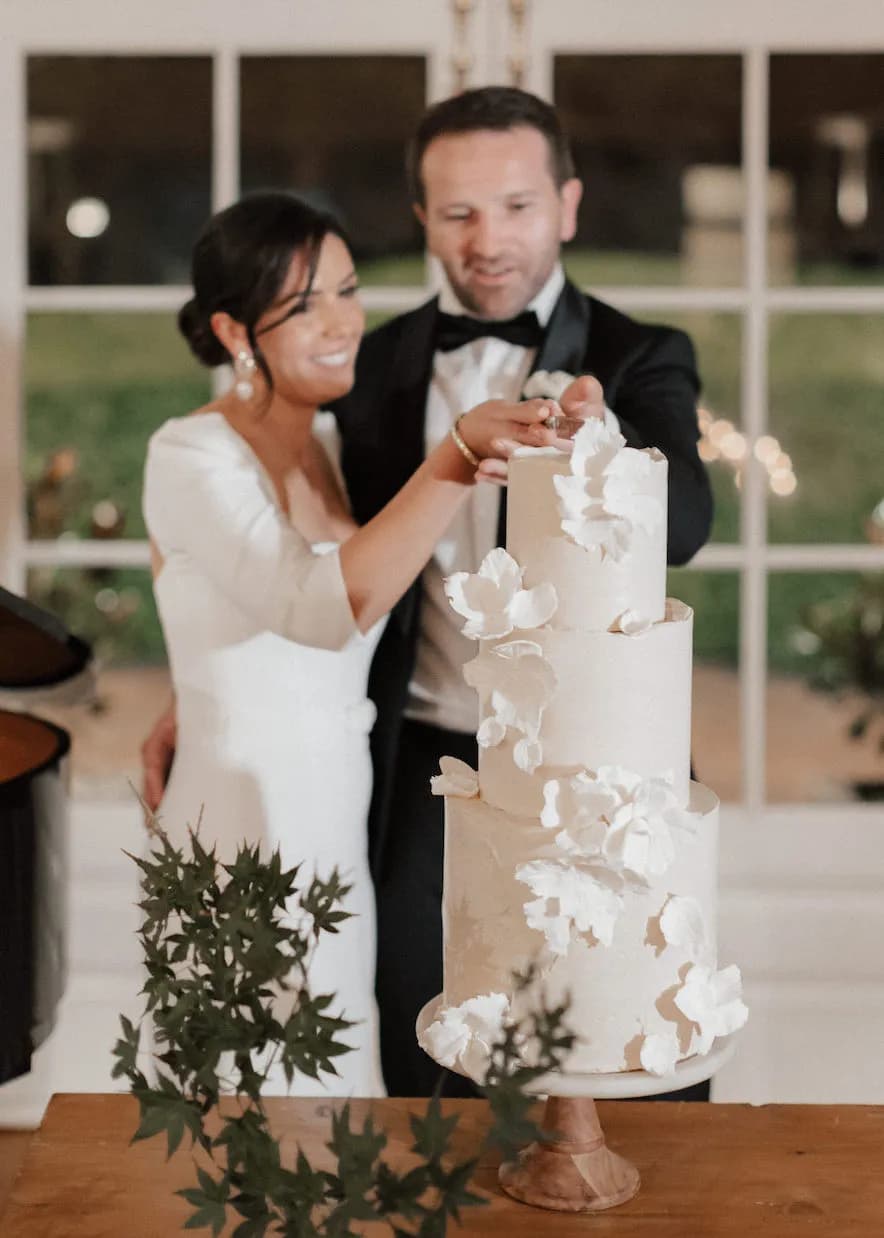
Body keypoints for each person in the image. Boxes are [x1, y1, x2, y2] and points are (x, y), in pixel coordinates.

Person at [143, 86, 714, 1099]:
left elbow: (684, 527)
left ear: (567, 206)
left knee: (621, 1051)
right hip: (413, 760)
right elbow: (295, 572)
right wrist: (201, 686)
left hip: (595, 770)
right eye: (456, 213)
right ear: (421, 220)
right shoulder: (361, 370)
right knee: (408, 1059)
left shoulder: (636, 355)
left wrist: (601, 446)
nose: (485, 238)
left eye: (514, 206)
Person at [141, 190, 567, 1098]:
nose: (341, 324)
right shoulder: (189, 455)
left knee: (332, 1116)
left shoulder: (331, 441)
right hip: (239, 829)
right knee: (237, 1116)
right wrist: (455, 454)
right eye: (303, 307)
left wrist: (188, 686)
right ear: (232, 329)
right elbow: (318, 606)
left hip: (338, 827)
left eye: (346, 290)